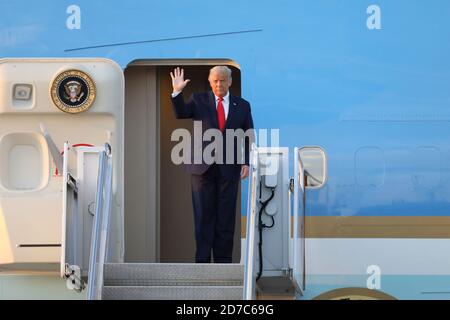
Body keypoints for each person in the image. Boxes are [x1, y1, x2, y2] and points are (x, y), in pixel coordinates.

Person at [170, 66, 254, 263]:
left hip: (229, 168)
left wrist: (247, 162)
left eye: (223, 80)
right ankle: (202, 263)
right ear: (209, 81)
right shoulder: (198, 100)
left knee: (225, 219)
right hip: (202, 168)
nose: (219, 84)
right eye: (215, 80)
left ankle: (224, 264)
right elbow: (180, 113)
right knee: (203, 217)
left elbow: (249, 134)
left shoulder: (242, 105)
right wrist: (177, 92)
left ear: (230, 82)